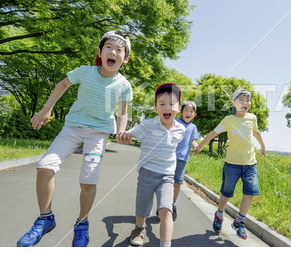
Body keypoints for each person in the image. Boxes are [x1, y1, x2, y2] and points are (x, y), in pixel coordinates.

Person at [17, 31, 132, 247]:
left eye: (119, 49)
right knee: (45, 167)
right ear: (100, 52)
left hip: (98, 134)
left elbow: (123, 113)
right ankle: (45, 218)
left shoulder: (124, 85)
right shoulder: (85, 72)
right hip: (72, 127)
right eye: (108, 47)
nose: (113, 52)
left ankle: (81, 223)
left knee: (88, 180)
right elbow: (62, 84)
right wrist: (46, 110)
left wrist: (121, 131)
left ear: (125, 58)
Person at [117, 83, 185, 247]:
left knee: (166, 210)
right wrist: (124, 136)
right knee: (143, 207)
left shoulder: (181, 130)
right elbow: (129, 136)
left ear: (178, 108)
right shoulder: (147, 125)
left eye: (171, 104)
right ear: (156, 108)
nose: (166, 107)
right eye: (162, 104)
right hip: (147, 172)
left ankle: (165, 246)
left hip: (167, 175)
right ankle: (139, 228)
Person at [194, 89, 265, 240]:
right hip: (232, 164)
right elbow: (213, 133)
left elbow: (256, 132)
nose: (245, 102)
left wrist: (263, 146)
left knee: (250, 193)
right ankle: (219, 214)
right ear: (233, 103)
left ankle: (239, 222)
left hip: (250, 163)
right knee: (226, 193)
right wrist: (200, 145)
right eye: (241, 99)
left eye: (248, 100)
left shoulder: (252, 118)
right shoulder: (228, 120)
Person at [172, 100, 199, 221]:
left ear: (194, 114)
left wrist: (195, 146)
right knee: (165, 180)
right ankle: (163, 203)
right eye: (186, 110)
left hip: (182, 159)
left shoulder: (193, 127)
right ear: (181, 112)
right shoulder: (175, 121)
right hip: (169, 156)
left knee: (177, 182)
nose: (188, 113)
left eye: (191, 111)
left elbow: (192, 140)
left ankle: (173, 203)